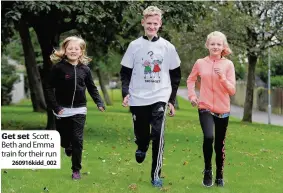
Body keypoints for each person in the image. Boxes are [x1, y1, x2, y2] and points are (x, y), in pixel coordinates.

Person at [120, 6, 181, 188]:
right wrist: (126, 93)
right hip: (138, 97)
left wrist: (171, 100)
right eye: (149, 23)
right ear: (143, 23)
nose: (152, 26)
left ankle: (156, 175)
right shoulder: (134, 46)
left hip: (160, 95)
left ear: (160, 24)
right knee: (142, 134)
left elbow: (176, 75)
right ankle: (141, 146)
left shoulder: (168, 47)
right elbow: (125, 72)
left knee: (158, 134)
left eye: (155, 23)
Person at [45, 36, 105, 180]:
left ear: (81, 51)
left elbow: (91, 87)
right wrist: (56, 106)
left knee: (77, 139)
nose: (73, 51)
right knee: (64, 140)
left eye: (76, 49)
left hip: (79, 109)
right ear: (64, 51)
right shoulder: (58, 68)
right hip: (62, 109)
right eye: (69, 48)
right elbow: (48, 87)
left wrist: (99, 102)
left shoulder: (85, 70)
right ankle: (67, 146)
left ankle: (76, 170)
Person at [187, 31, 236, 187]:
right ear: (207, 45)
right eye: (212, 44)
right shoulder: (200, 63)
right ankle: (208, 170)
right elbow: (190, 79)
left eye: (218, 44)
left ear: (223, 47)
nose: (215, 47)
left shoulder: (228, 65)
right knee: (209, 137)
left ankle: (219, 174)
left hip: (223, 110)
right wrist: (192, 96)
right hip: (205, 107)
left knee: (219, 144)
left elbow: (232, 91)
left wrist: (222, 78)